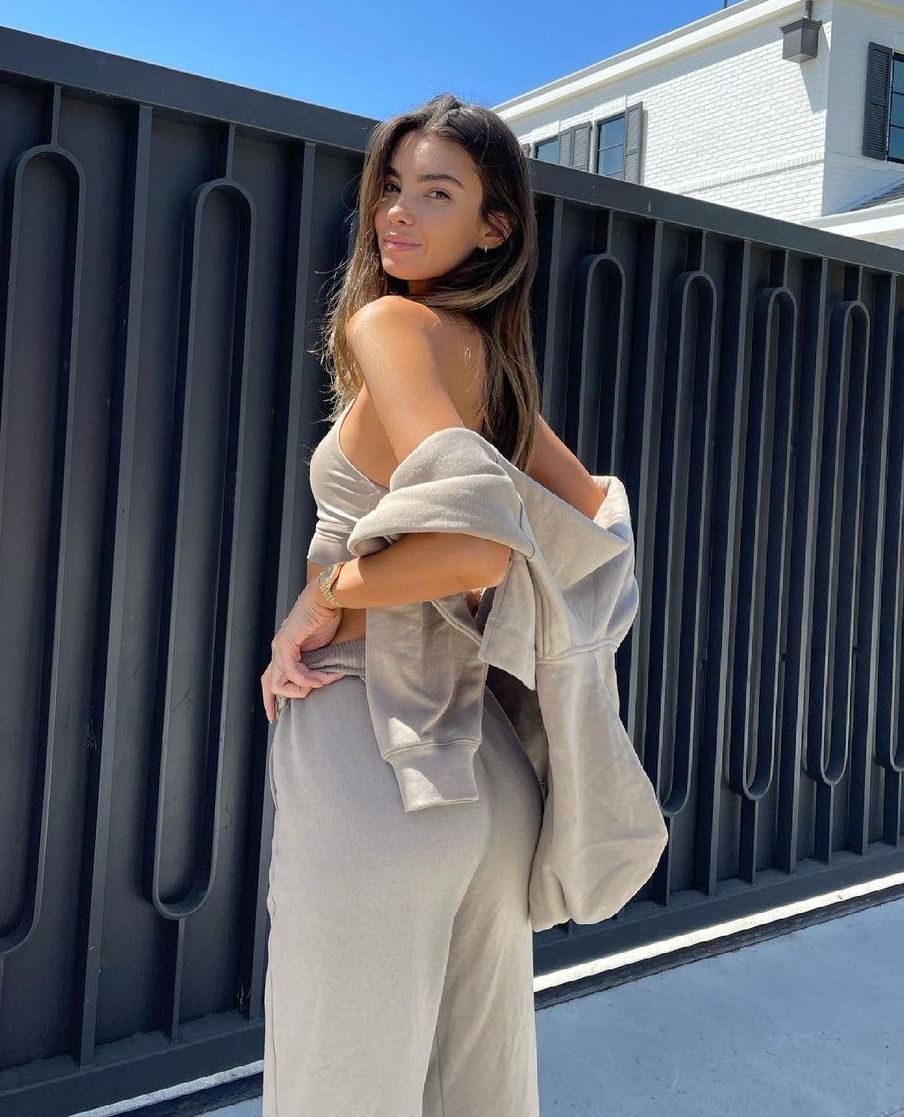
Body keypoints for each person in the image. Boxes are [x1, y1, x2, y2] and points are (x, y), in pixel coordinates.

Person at [259, 92, 615, 1117]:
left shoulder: (390, 323)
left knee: (339, 1080)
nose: (396, 212)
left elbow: (470, 545)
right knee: (475, 1083)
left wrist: (325, 593)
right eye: (391, 186)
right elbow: (595, 523)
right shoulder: (493, 369)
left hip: (372, 745)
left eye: (436, 192)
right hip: (483, 771)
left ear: (494, 226)